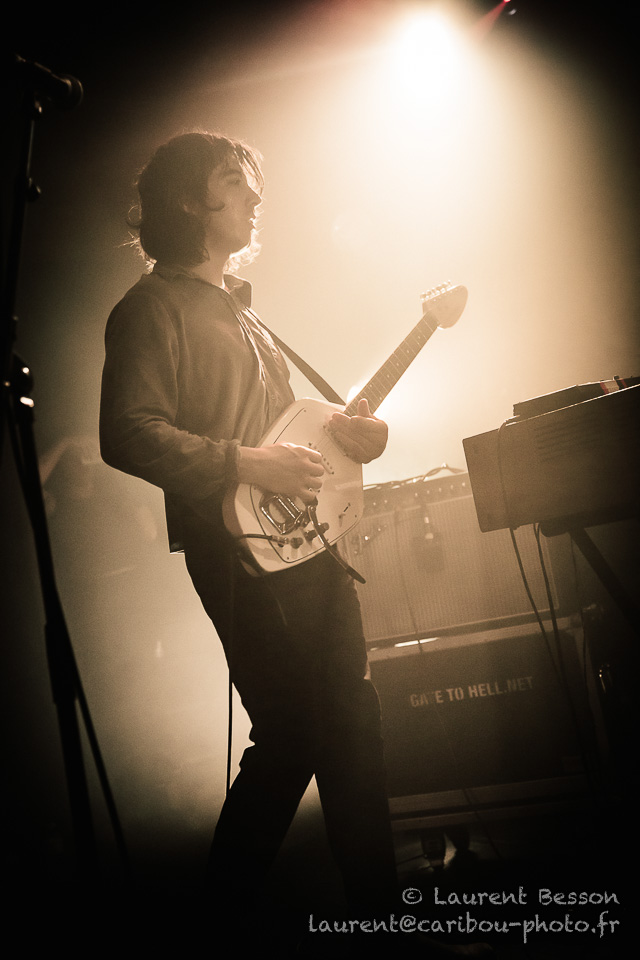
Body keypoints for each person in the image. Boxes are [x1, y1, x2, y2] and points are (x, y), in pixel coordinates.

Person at [99, 132, 492, 958]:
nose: (254, 197)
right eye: (234, 182)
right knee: (291, 734)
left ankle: (378, 923)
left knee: (351, 723)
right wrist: (246, 463)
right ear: (188, 200)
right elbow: (127, 433)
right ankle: (210, 929)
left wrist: (358, 438)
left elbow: (299, 438)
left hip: (309, 549)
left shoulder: (246, 313)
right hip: (236, 555)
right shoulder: (150, 308)